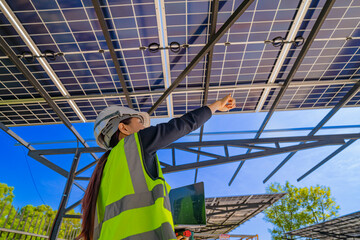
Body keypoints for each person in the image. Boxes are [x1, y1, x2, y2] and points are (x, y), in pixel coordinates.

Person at [76, 94, 236, 240]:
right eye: (139, 122)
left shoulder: (102, 171)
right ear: (123, 128)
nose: (144, 128)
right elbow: (184, 124)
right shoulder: (135, 144)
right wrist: (216, 105)